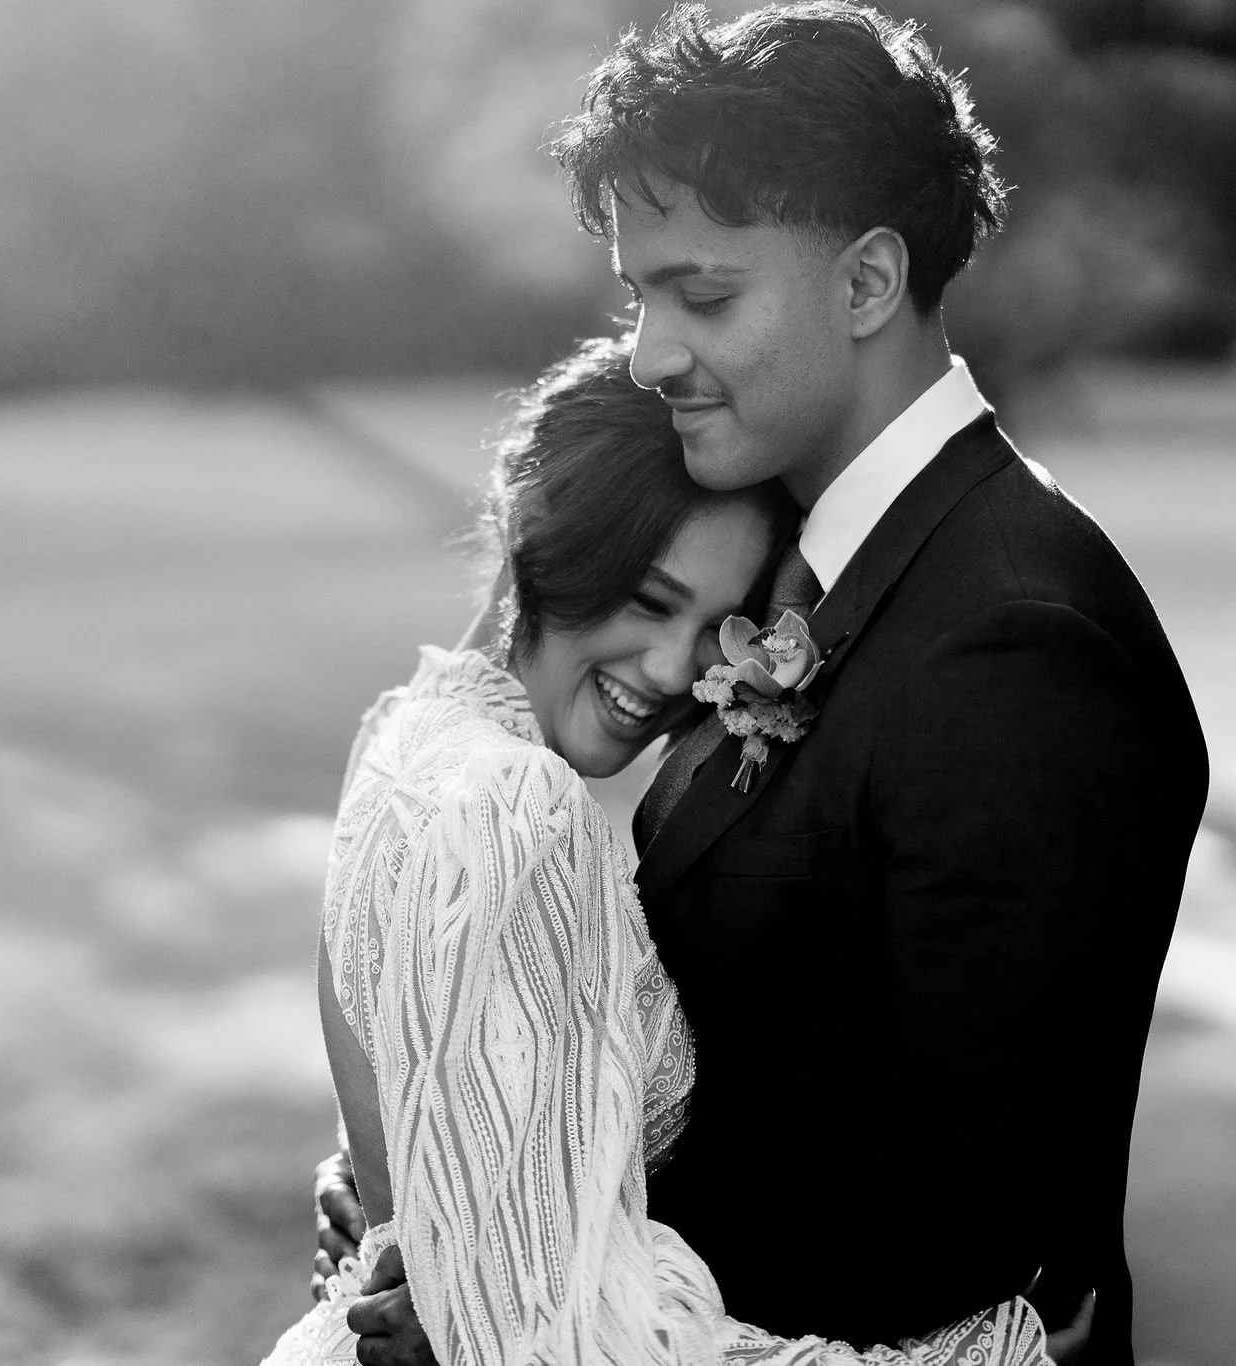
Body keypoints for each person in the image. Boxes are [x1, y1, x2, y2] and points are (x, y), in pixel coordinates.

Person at [322, 6, 1208, 1365]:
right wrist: (442, 1160)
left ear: (863, 285)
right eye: (637, 297)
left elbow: (937, 1224)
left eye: (703, 294)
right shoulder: (793, 559)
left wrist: (514, 1282)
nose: (646, 352)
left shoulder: (1018, 634)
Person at [265, 337, 1055, 1366]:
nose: (675, 668)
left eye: (716, 624)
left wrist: (389, 1206)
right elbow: (563, 1343)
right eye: (647, 601)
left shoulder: (406, 732)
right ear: (534, 538)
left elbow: (439, 1106)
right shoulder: (512, 808)